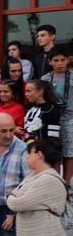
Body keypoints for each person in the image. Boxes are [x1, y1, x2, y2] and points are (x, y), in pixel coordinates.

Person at [41, 46, 73, 184]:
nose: (59, 63)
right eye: (56, 60)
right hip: (51, 118)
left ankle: (66, 182)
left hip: (70, 119)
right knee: (53, 151)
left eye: (62, 60)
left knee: (69, 152)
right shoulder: (45, 79)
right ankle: (54, 181)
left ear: (68, 60)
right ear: (50, 62)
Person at [22, 79, 62, 144]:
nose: (26, 94)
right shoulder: (28, 107)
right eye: (25, 91)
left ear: (40, 91)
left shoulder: (51, 109)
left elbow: (53, 136)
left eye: (29, 91)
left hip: (41, 149)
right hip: (25, 146)